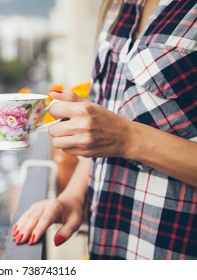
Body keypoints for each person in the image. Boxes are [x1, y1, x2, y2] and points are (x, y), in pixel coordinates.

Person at [11, 0, 197, 259]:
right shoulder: (120, 7)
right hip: (107, 250)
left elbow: (119, 134)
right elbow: (106, 127)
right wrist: (73, 198)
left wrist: (129, 139)